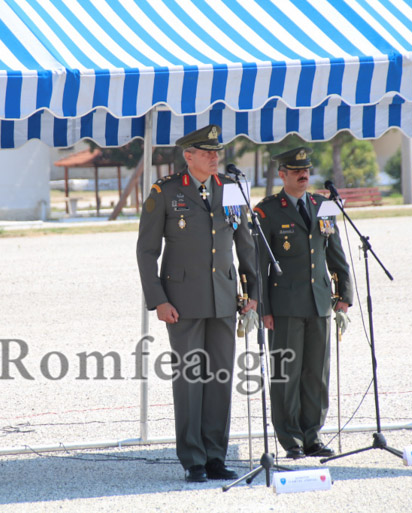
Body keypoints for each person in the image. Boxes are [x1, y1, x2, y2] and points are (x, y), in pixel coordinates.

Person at [136, 124, 258, 483]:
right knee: (191, 380)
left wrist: (251, 294)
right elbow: (146, 251)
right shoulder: (166, 191)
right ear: (188, 156)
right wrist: (158, 300)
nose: (213, 157)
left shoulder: (232, 191)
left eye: (216, 152)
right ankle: (193, 459)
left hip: (224, 299)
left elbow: (246, 245)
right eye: (206, 152)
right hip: (183, 302)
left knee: (220, 380)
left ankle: (216, 455)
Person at [254, 147, 353, 459]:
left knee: (316, 374)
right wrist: (264, 309)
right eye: (296, 170)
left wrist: (344, 297)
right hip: (284, 307)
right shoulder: (267, 211)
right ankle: (291, 440)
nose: (303, 174)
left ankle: (312, 436)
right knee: (288, 375)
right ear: (282, 174)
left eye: (306, 169)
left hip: (320, 303)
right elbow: (259, 266)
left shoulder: (323, 206)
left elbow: (335, 252)